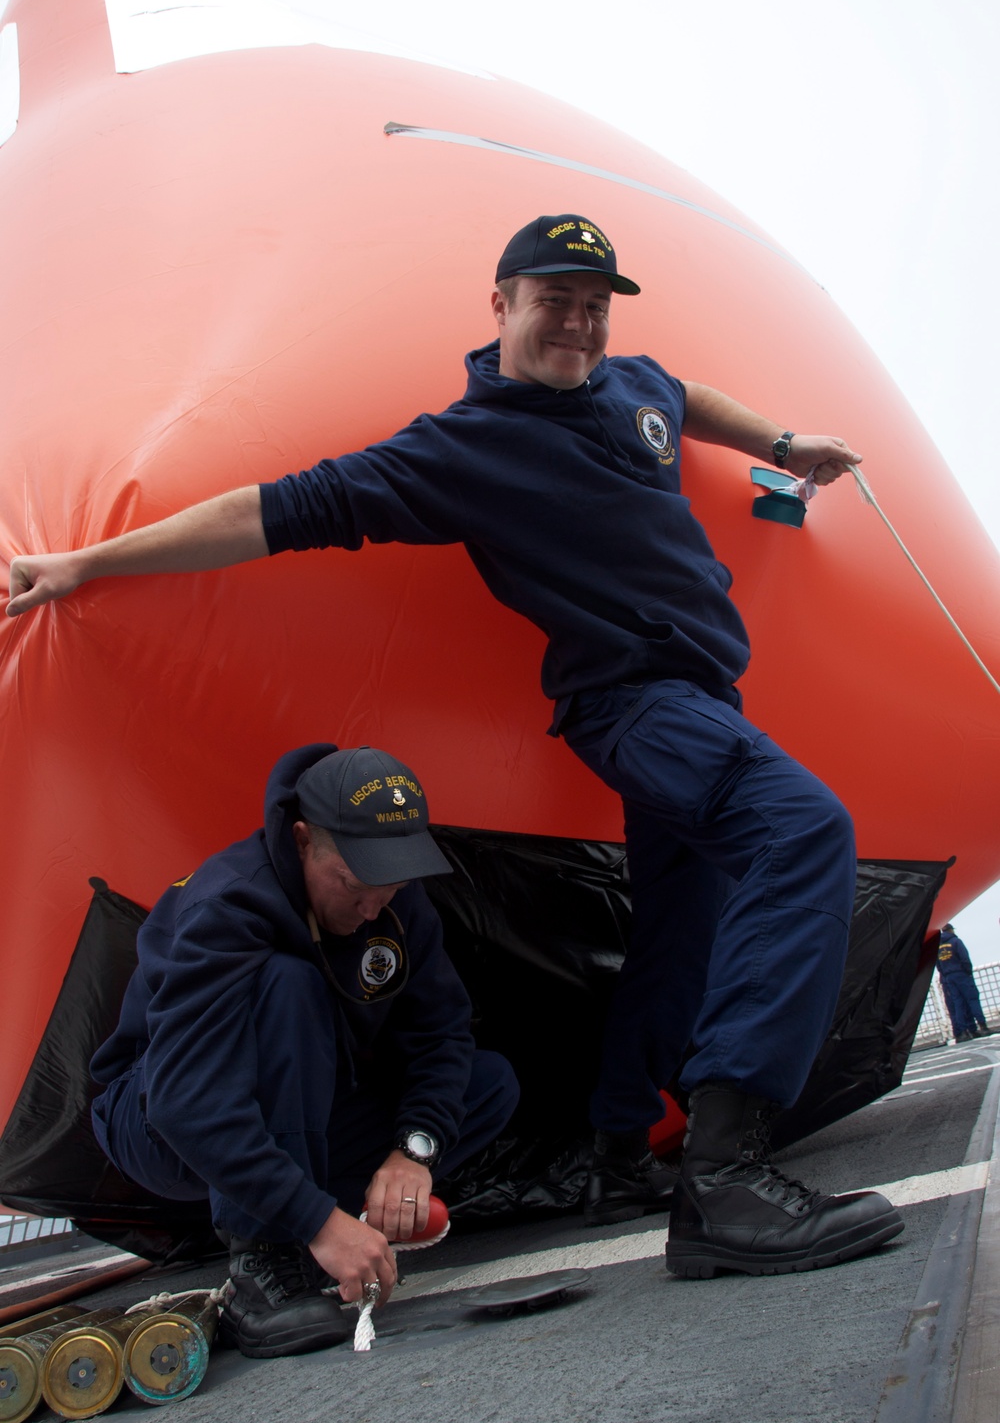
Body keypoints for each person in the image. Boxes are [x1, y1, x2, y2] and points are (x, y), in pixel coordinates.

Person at [7, 213, 903, 1277]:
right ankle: (727, 1176)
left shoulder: (632, 384)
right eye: (552, 300)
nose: (576, 322)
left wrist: (781, 445)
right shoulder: (463, 449)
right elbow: (276, 511)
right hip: (635, 703)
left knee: (681, 924)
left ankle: (622, 1144)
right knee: (802, 829)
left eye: (593, 303)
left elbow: (682, 394)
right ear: (500, 304)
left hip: (711, 692)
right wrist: (89, 563)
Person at [89, 742, 519, 1357]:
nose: (372, 906)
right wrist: (317, 1220)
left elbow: (441, 1034)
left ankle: (319, 1226)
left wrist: (412, 1150)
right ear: (301, 841)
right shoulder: (230, 903)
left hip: (301, 1105)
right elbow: (183, 1101)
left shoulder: (393, 903)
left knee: (487, 1083)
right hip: (160, 1116)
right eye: (352, 884)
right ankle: (261, 1272)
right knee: (289, 985)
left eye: (389, 886)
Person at [936, 923, 991, 1041]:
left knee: (958, 1003)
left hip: (949, 977)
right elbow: (964, 958)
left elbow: (938, 965)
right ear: (951, 930)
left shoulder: (938, 947)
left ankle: (963, 1032)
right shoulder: (956, 942)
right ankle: (983, 1026)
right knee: (972, 999)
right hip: (961, 974)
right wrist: (967, 971)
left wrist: (946, 974)